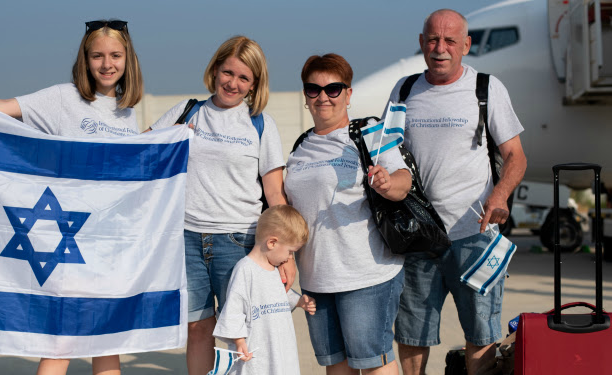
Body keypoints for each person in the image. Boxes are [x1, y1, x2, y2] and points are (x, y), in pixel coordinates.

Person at [0, 19, 144, 375]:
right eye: (97, 56)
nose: (107, 64)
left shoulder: (127, 113)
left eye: (115, 55)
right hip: (70, 242)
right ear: (85, 59)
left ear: (128, 59)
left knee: (108, 340)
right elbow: (3, 107)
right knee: (61, 342)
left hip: (110, 244)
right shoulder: (64, 98)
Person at [386, 9, 527, 375]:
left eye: (450, 40)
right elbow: (386, 154)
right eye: (432, 39)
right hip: (418, 237)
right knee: (412, 332)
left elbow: (515, 156)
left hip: (475, 235)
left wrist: (499, 196)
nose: (440, 48)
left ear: (466, 45)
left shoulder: (486, 87)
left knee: (481, 332)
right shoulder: (403, 90)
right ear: (421, 43)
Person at [147, 36, 291, 374]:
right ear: (214, 70)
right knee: (198, 329)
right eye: (228, 72)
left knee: (242, 332)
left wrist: (287, 254)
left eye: (244, 78)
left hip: (239, 242)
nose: (233, 83)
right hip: (186, 239)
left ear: (255, 84)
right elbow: (140, 153)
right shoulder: (187, 110)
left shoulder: (261, 124)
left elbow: (274, 194)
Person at [284, 53, 412, 375]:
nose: (323, 97)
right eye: (313, 89)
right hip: (317, 278)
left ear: (348, 94)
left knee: (373, 365)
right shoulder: (300, 148)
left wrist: (387, 182)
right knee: (336, 367)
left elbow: (403, 181)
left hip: (365, 274)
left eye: (333, 88)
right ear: (306, 96)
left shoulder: (367, 133)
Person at [213, 204, 316, 374]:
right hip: (256, 351)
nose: (290, 258)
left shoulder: (274, 269)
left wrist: (299, 301)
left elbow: (278, 294)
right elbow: (234, 308)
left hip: (281, 348)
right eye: (290, 252)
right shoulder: (245, 270)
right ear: (272, 243)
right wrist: (239, 341)